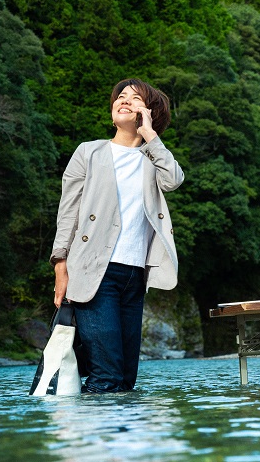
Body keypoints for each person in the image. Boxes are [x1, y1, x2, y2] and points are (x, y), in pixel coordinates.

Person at [51, 79, 184, 392]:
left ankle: (120, 440)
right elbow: (68, 214)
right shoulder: (89, 153)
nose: (124, 100)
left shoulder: (153, 158)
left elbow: (173, 180)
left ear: (150, 112)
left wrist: (149, 134)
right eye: (120, 97)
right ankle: (90, 438)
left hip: (134, 276)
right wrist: (60, 267)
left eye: (135, 98)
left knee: (125, 379)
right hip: (95, 272)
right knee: (107, 376)